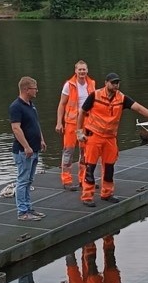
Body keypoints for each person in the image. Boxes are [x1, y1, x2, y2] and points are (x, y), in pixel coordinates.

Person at [76, 72, 148, 207]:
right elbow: (82, 112)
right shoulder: (95, 96)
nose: (116, 85)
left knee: (109, 167)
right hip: (94, 136)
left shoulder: (121, 98)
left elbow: (138, 108)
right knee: (90, 166)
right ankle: (87, 196)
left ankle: (107, 193)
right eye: (113, 82)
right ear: (106, 83)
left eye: (117, 83)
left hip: (110, 138)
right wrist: (79, 131)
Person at [54, 60, 96, 191]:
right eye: (80, 70)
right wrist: (59, 122)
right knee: (68, 151)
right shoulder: (69, 85)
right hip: (72, 123)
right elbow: (61, 104)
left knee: (85, 152)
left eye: (84, 69)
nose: (82, 72)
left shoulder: (92, 84)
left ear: (87, 70)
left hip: (87, 122)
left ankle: (83, 179)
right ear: (75, 71)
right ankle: (66, 180)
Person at [8, 76, 46, 220]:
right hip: (24, 151)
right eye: (34, 88)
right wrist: (26, 146)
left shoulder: (31, 105)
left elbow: (35, 124)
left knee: (29, 181)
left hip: (34, 149)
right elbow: (16, 128)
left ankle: (29, 207)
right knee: (22, 180)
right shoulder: (16, 107)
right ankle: (22, 212)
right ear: (26, 89)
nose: (37, 91)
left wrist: (41, 139)